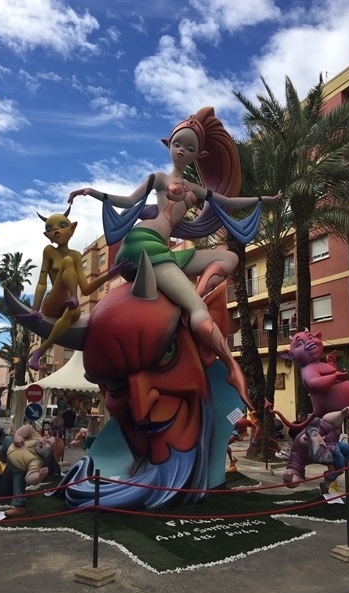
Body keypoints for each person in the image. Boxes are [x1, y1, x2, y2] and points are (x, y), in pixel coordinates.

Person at [68, 106, 281, 410]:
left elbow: (229, 201)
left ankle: (193, 300)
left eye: (190, 148)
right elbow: (128, 201)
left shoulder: (196, 188)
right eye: (178, 144)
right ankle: (231, 365)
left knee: (229, 258)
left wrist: (264, 200)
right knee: (197, 309)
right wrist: (94, 192)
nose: (182, 150)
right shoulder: (158, 178)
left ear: (199, 155)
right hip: (143, 244)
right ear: (168, 145)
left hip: (163, 251)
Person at [19, 207, 130, 370]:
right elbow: (42, 282)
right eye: (50, 229)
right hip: (53, 303)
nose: (56, 230)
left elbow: (86, 289)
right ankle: (73, 297)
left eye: (62, 225)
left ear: (72, 229)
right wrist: (35, 309)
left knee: (72, 308)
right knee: (68, 262)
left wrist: (109, 274)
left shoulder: (77, 255)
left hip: (70, 308)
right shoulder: (49, 251)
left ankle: (40, 351)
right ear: (47, 236)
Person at [282, 406, 349, 494]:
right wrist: (288, 477)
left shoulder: (313, 431)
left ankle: (333, 472)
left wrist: (342, 414)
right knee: (339, 461)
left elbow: (327, 422)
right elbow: (293, 479)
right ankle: (326, 484)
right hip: (328, 451)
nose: (322, 440)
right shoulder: (298, 452)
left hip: (330, 447)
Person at [0, 423, 56, 517]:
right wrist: (18, 436)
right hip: (11, 449)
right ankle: (2, 454)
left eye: (48, 443)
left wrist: (39, 476)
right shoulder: (36, 437)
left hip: (18, 469)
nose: (44, 441)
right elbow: (28, 428)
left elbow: (29, 478)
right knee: (8, 439)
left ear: (51, 452)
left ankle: (19, 508)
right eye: (46, 439)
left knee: (19, 484)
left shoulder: (37, 461)